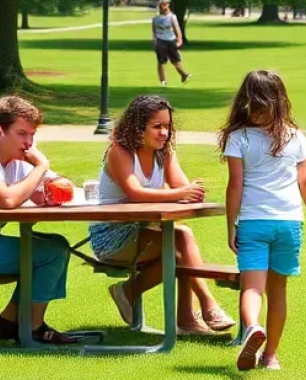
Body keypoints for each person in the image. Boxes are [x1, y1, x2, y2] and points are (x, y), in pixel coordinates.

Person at [91, 95, 235, 335]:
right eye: (157, 126)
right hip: (111, 236)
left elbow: (183, 189)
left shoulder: (164, 153)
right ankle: (204, 307)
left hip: (147, 232)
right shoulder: (120, 151)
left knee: (180, 242)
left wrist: (187, 191)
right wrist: (180, 192)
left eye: (167, 126)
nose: (164, 133)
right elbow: (134, 192)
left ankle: (136, 295)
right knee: (181, 238)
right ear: (138, 128)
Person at [221, 71, 306, 372]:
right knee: (279, 291)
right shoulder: (294, 136)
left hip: (254, 221)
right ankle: (270, 356)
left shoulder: (238, 138)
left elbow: (235, 184)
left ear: (246, 102)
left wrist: (231, 225)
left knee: (252, 288)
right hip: (289, 222)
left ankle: (253, 326)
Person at [0, 96, 76, 344]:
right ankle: (31, 328)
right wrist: (40, 168)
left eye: (32, 135)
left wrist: (46, 189)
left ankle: (9, 321)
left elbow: (57, 184)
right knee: (51, 253)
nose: (29, 143)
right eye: (22, 134)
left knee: (56, 245)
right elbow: (6, 200)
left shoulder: (16, 160)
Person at [152, 0, 191, 86]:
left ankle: (184, 75)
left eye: (166, 4)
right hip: (160, 40)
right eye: (162, 4)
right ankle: (163, 81)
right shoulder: (156, 18)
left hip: (171, 40)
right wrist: (154, 39)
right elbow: (154, 30)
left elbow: (177, 29)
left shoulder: (172, 17)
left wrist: (179, 40)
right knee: (161, 61)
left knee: (175, 61)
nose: (164, 6)